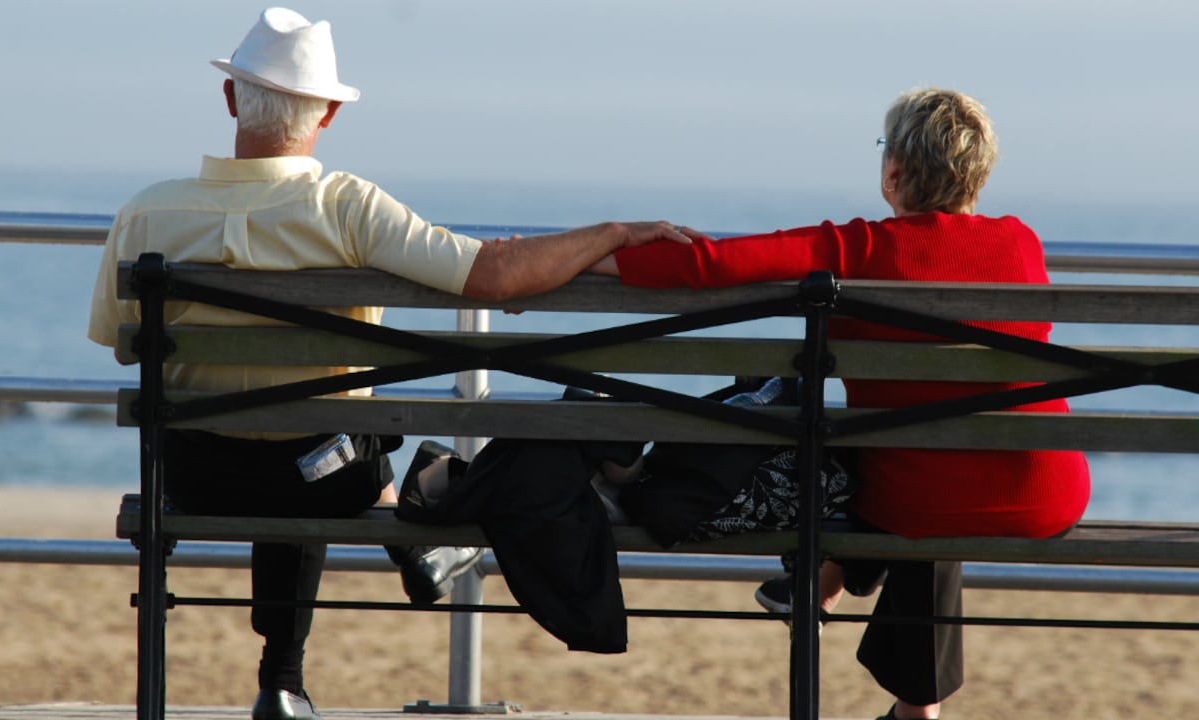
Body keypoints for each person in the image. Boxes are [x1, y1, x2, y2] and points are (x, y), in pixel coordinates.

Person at [87, 8, 700, 720]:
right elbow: (492, 276)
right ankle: (289, 673)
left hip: (193, 475)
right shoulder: (346, 208)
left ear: (230, 99)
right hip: (320, 478)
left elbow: (115, 337)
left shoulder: (144, 215)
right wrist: (614, 233)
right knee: (324, 448)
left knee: (274, 442)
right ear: (327, 117)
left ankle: (284, 679)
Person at [593, 87, 1091, 720]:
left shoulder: (856, 249)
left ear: (893, 172)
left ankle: (828, 593)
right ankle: (877, 661)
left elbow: (711, 263)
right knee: (942, 457)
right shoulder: (1022, 244)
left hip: (916, 500)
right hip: (1049, 494)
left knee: (901, 473)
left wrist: (575, 255)